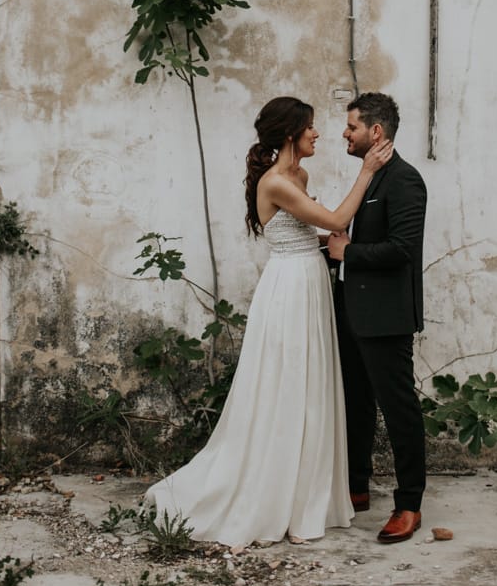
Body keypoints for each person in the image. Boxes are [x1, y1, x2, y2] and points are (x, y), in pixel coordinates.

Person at [143, 95, 393, 548]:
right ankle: (271, 495)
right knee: (286, 385)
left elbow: (301, 230)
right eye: (311, 127)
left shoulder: (299, 174)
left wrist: (326, 240)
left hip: (310, 280)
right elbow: (337, 217)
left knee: (312, 386)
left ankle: (304, 492)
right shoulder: (277, 181)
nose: (318, 133)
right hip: (289, 289)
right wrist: (367, 172)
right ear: (289, 134)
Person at [327, 92, 428, 544]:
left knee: (398, 408)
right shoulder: (370, 178)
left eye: (351, 127)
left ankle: (409, 503)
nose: (344, 134)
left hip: (386, 318)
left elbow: (402, 250)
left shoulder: (405, 180)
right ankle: (357, 485)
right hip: (352, 311)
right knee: (356, 403)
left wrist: (346, 250)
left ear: (376, 132)